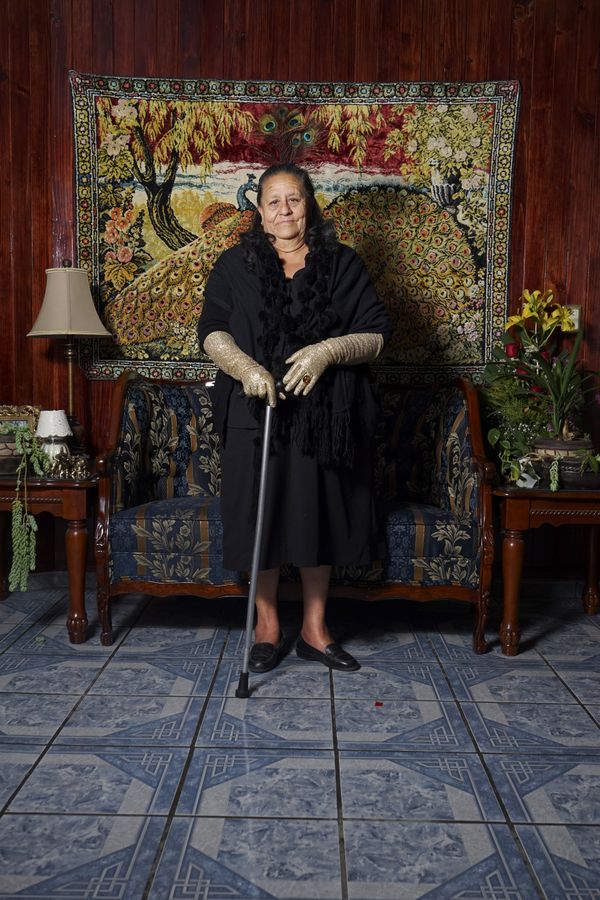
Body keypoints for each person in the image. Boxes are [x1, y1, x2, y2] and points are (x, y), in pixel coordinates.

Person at [198, 163, 391, 673]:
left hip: (324, 417)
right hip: (254, 411)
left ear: (310, 206)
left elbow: (376, 335)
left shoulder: (343, 263)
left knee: (316, 516)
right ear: (259, 212)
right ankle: (266, 627)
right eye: (274, 201)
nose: (284, 210)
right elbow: (212, 331)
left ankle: (314, 629)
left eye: (294, 200)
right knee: (258, 516)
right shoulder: (233, 265)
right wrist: (244, 368)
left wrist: (328, 351)